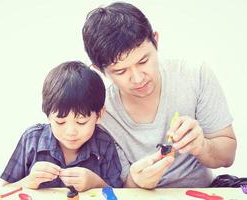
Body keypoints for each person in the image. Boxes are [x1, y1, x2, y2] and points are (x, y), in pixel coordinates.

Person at [82, 2, 237, 189]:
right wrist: (136, 182)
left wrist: (202, 146)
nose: (138, 78)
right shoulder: (101, 113)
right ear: (100, 70)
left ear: (156, 40)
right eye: (121, 72)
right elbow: (120, 189)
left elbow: (228, 156)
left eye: (143, 61)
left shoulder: (194, 75)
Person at [0, 61, 123, 191]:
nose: (70, 132)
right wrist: (28, 181)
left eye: (81, 122)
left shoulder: (104, 144)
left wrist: (96, 183)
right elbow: (2, 190)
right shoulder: (32, 139)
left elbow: (120, 195)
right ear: (48, 115)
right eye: (60, 122)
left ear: (99, 115)